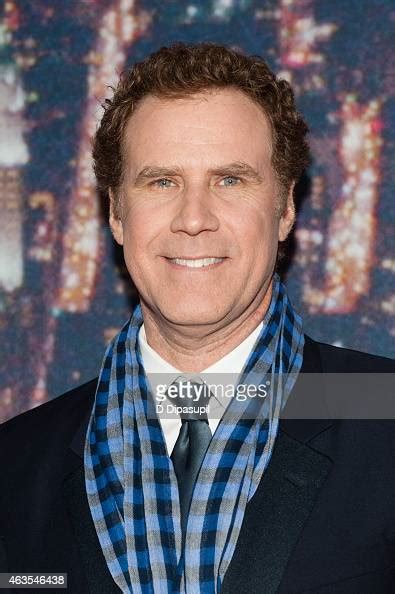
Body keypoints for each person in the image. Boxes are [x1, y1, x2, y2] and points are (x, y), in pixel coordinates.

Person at [0, 42, 394, 594]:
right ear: (116, 212)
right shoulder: (16, 463)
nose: (193, 219)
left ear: (285, 210)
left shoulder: (386, 412)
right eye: (162, 181)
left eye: (230, 180)